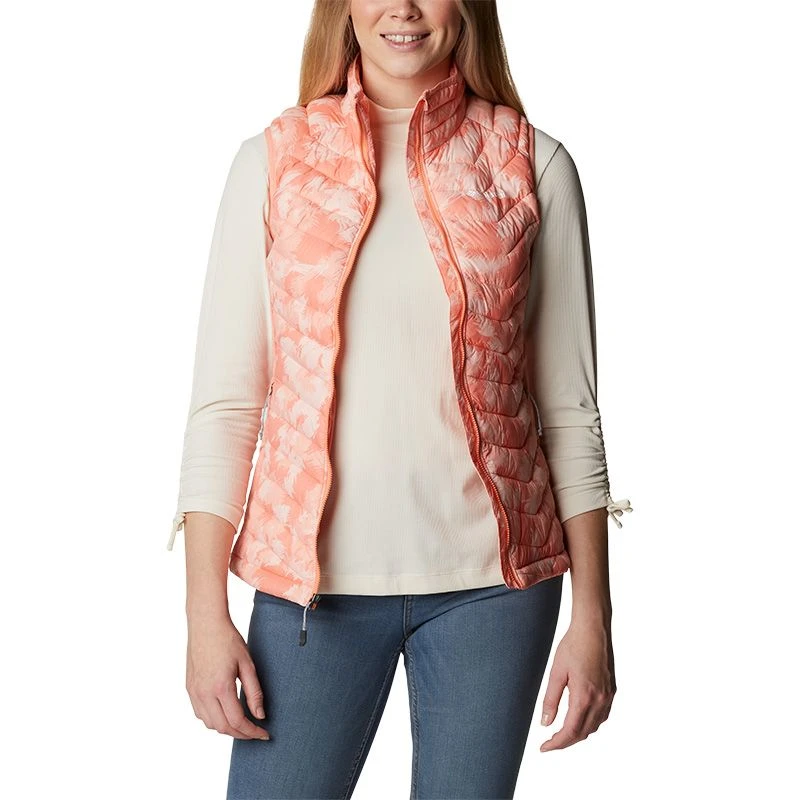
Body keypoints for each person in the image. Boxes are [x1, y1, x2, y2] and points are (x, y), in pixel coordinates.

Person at [168, 1, 633, 798]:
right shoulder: (275, 162)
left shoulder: (533, 164)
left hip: (496, 594)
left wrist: (593, 618)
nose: (404, 9)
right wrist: (203, 618)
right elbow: (227, 406)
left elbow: (568, 412)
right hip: (310, 596)